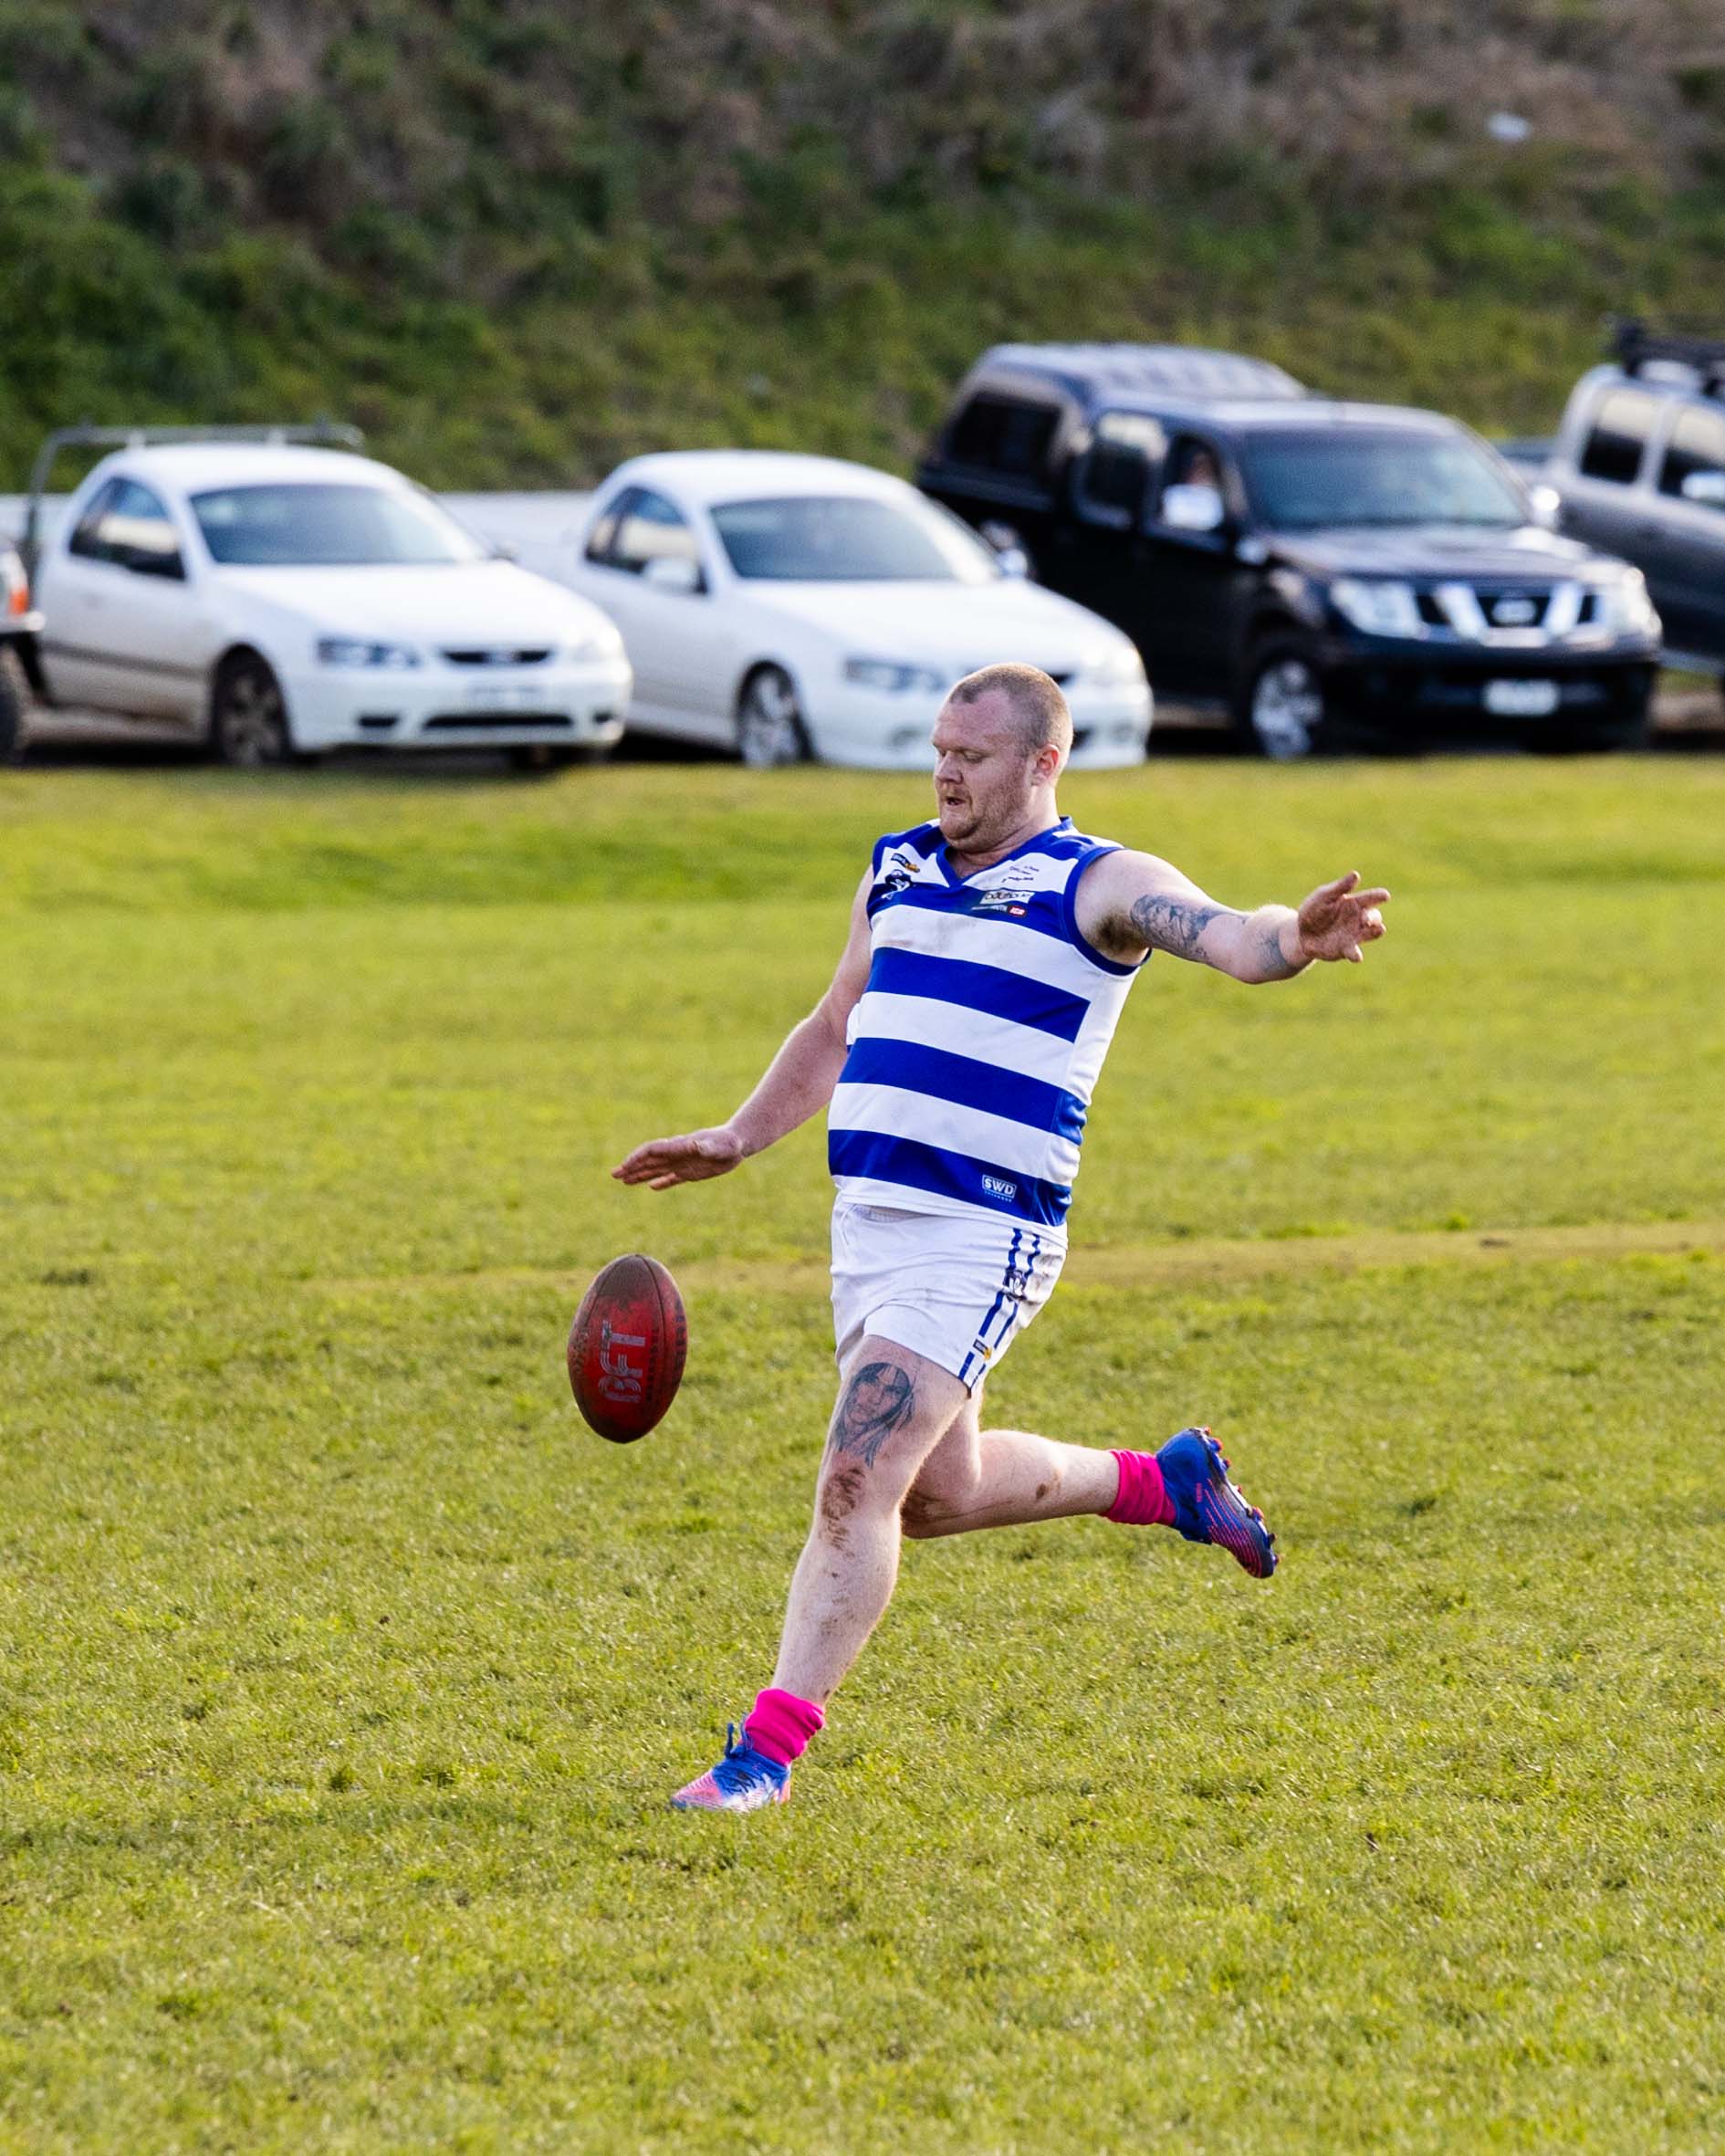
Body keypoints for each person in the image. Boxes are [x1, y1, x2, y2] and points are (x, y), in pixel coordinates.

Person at [613, 663, 1389, 1811]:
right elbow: (835, 1022)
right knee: (934, 1495)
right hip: (867, 1226)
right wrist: (740, 1134)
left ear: (1042, 763)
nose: (945, 773)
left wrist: (1295, 937)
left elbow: (1231, 935)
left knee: (855, 1477)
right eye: (939, 750)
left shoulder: (1098, 883)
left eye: (970, 756)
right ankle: (1163, 1482)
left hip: (982, 1229)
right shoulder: (897, 868)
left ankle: (762, 1758)